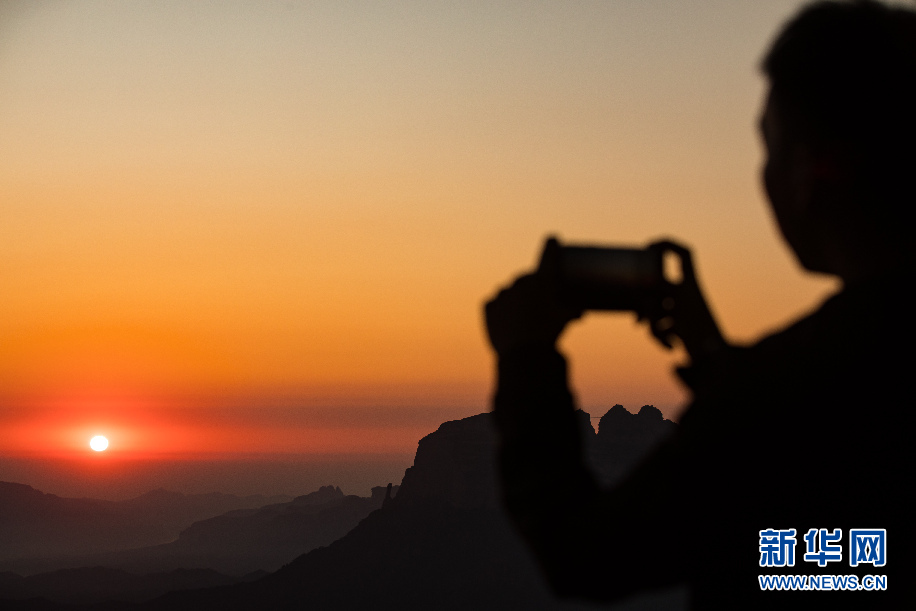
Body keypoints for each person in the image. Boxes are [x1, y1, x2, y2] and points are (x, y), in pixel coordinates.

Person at [483, 1, 915, 609]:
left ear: (815, 169)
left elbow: (588, 557)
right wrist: (713, 355)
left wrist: (527, 362)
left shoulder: (789, 390)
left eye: (769, 150)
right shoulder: (799, 385)